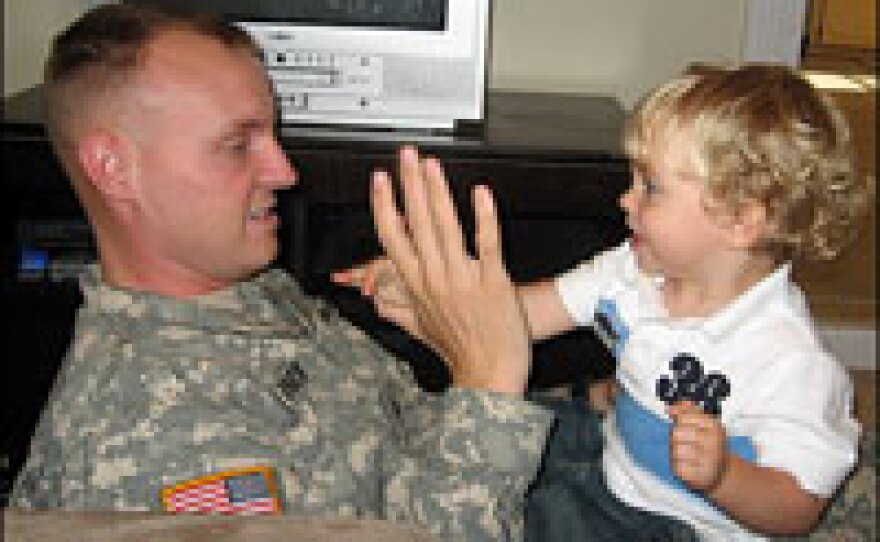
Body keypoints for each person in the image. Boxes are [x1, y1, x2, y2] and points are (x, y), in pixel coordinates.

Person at [8, 5, 554, 541]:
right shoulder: (149, 446)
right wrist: (488, 380)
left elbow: (391, 429)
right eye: (237, 144)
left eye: (271, 134)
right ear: (113, 167)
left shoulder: (234, 286)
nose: (285, 171)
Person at [334, 64, 873, 539]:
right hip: (611, 452)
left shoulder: (791, 362)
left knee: (533, 521)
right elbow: (521, 316)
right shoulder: (633, 269)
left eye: (650, 187)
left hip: (678, 523)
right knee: (484, 443)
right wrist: (427, 291)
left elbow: (799, 506)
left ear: (741, 220)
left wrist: (724, 475)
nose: (625, 199)